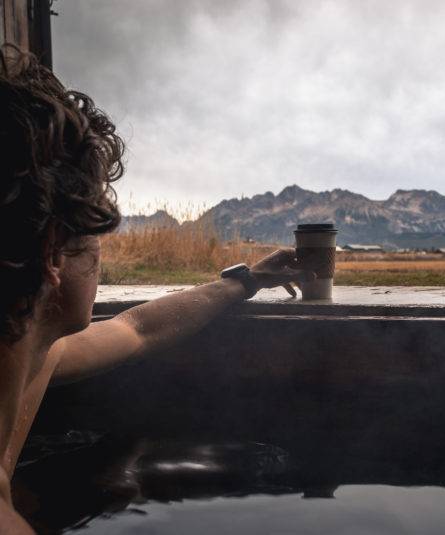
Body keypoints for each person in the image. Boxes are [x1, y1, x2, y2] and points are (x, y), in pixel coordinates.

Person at [0, 46, 313, 533]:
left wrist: (245, 281)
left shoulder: (33, 355)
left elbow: (138, 327)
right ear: (54, 256)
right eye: (96, 235)